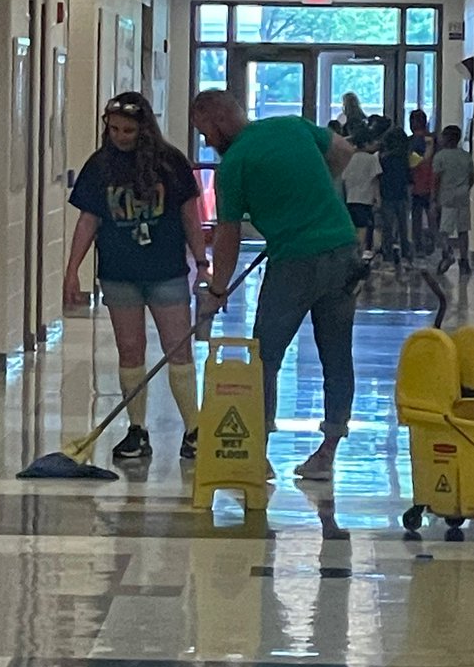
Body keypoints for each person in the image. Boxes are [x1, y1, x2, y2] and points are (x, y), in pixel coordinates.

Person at [191, 90, 363, 482]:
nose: (205, 141)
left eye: (204, 131)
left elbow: (228, 234)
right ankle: (327, 452)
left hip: (294, 263)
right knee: (336, 354)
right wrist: (319, 188)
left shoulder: (234, 165)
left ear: (217, 122)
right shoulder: (292, 125)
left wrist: (218, 290)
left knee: (266, 354)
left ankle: (258, 451)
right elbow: (343, 149)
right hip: (343, 250)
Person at [64, 92, 208, 461]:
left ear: (144, 128)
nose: (120, 136)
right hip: (120, 272)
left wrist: (202, 263)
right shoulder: (100, 166)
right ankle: (137, 429)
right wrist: (72, 270)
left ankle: (194, 429)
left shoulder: (171, 163)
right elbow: (88, 220)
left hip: (166, 271)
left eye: (128, 130)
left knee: (178, 348)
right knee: (130, 349)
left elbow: (191, 216)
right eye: (113, 129)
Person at [433, 124, 474, 276]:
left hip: (447, 197)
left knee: (444, 230)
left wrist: (433, 199)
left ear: (446, 139)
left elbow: (436, 180)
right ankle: (464, 261)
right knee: (463, 230)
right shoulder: (466, 156)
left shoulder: (440, 157)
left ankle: (448, 253)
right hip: (463, 196)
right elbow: (471, 178)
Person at [342, 125, 381, 254]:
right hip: (365, 199)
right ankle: (362, 252)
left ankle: (353, 252)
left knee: (353, 227)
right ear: (365, 143)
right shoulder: (372, 159)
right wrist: (378, 198)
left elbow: (343, 179)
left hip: (350, 198)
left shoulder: (348, 158)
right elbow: (375, 180)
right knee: (364, 227)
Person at [378, 127, 413, 265]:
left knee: (387, 227)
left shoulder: (384, 159)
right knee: (403, 226)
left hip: (387, 195)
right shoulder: (404, 159)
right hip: (401, 195)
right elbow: (408, 179)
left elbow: (380, 178)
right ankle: (405, 252)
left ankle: (388, 253)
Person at [408, 110, 435, 256]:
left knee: (416, 216)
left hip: (415, 184)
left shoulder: (409, 142)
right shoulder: (434, 141)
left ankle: (418, 245)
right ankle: (432, 242)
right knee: (432, 216)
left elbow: (411, 164)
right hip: (432, 183)